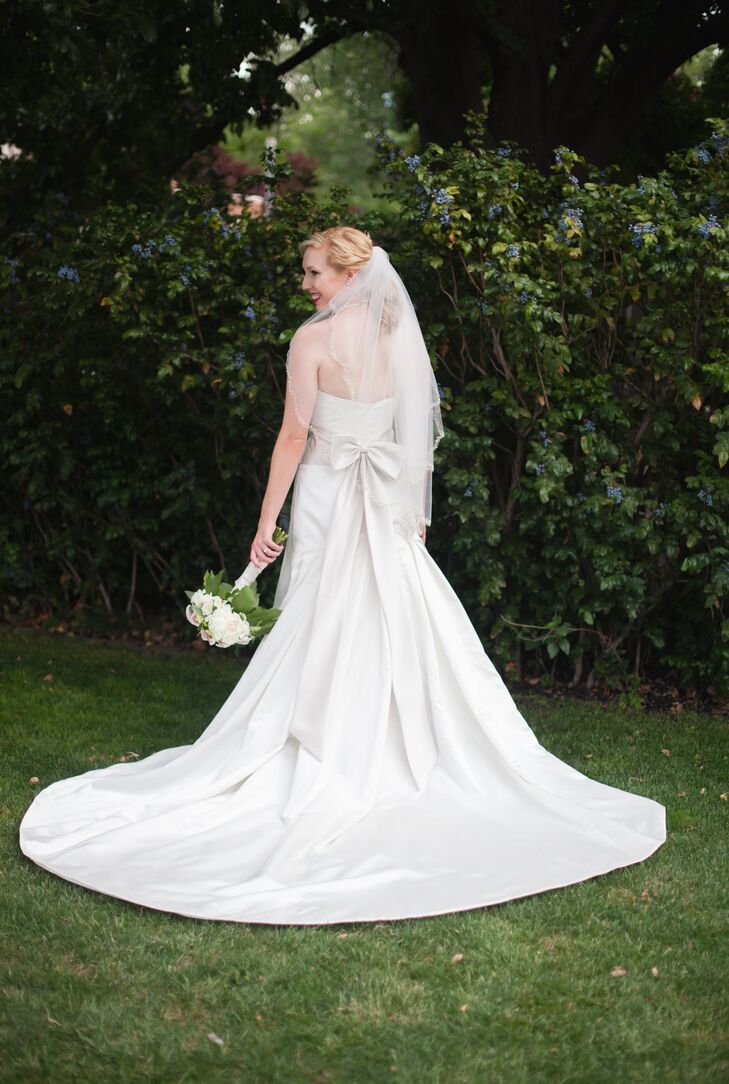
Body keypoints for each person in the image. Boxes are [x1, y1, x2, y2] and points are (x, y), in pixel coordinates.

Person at [18, 226, 666, 925]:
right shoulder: (397, 336)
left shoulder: (312, 341)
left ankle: (324, 741)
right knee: (387, 616)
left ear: (349, 273)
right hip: (383, 499)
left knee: (324, 614)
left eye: (314, 272)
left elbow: (294, 436)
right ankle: (376, 743)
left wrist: (265, 520)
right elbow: (410, 431)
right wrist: (414, 509)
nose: (306, 285)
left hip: (331, 493)